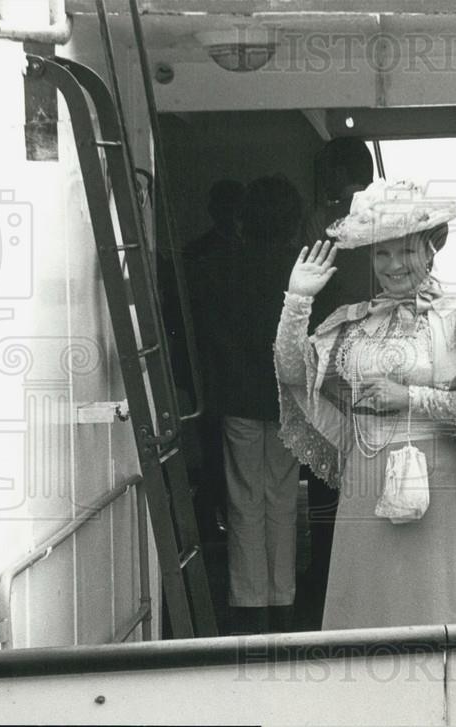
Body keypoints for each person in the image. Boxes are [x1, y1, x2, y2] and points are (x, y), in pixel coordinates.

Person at [274, 179, 456, 630]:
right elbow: (292, 374)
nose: (394, 265)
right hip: (365, 480)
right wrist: (298, 299)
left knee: (433, 605)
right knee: (367, 610)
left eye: (407, 252)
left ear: (431, 251)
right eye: (382, 253)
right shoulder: (353, 322)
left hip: (438, 481)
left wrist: (411, 396)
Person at [209, 175, 304, 633]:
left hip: (238, 396)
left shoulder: (223, 264)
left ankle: (248, 603)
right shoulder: (298, 268)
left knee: (244, 500)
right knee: (282, 499)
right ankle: (282, 598)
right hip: (286, 400)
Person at [297, 137, 375, 602]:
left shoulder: (317, 224)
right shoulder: (383, 219)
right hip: (379, 360)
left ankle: (328, 574)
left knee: (329, 475)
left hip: (327, 361)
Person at [183, 179, 245, 539]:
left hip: (212, 364)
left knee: (217, 453)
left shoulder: (197, 251)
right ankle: (211, 519)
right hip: (215, 365)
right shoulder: (232, 254)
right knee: (215, 454)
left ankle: (213, 520)